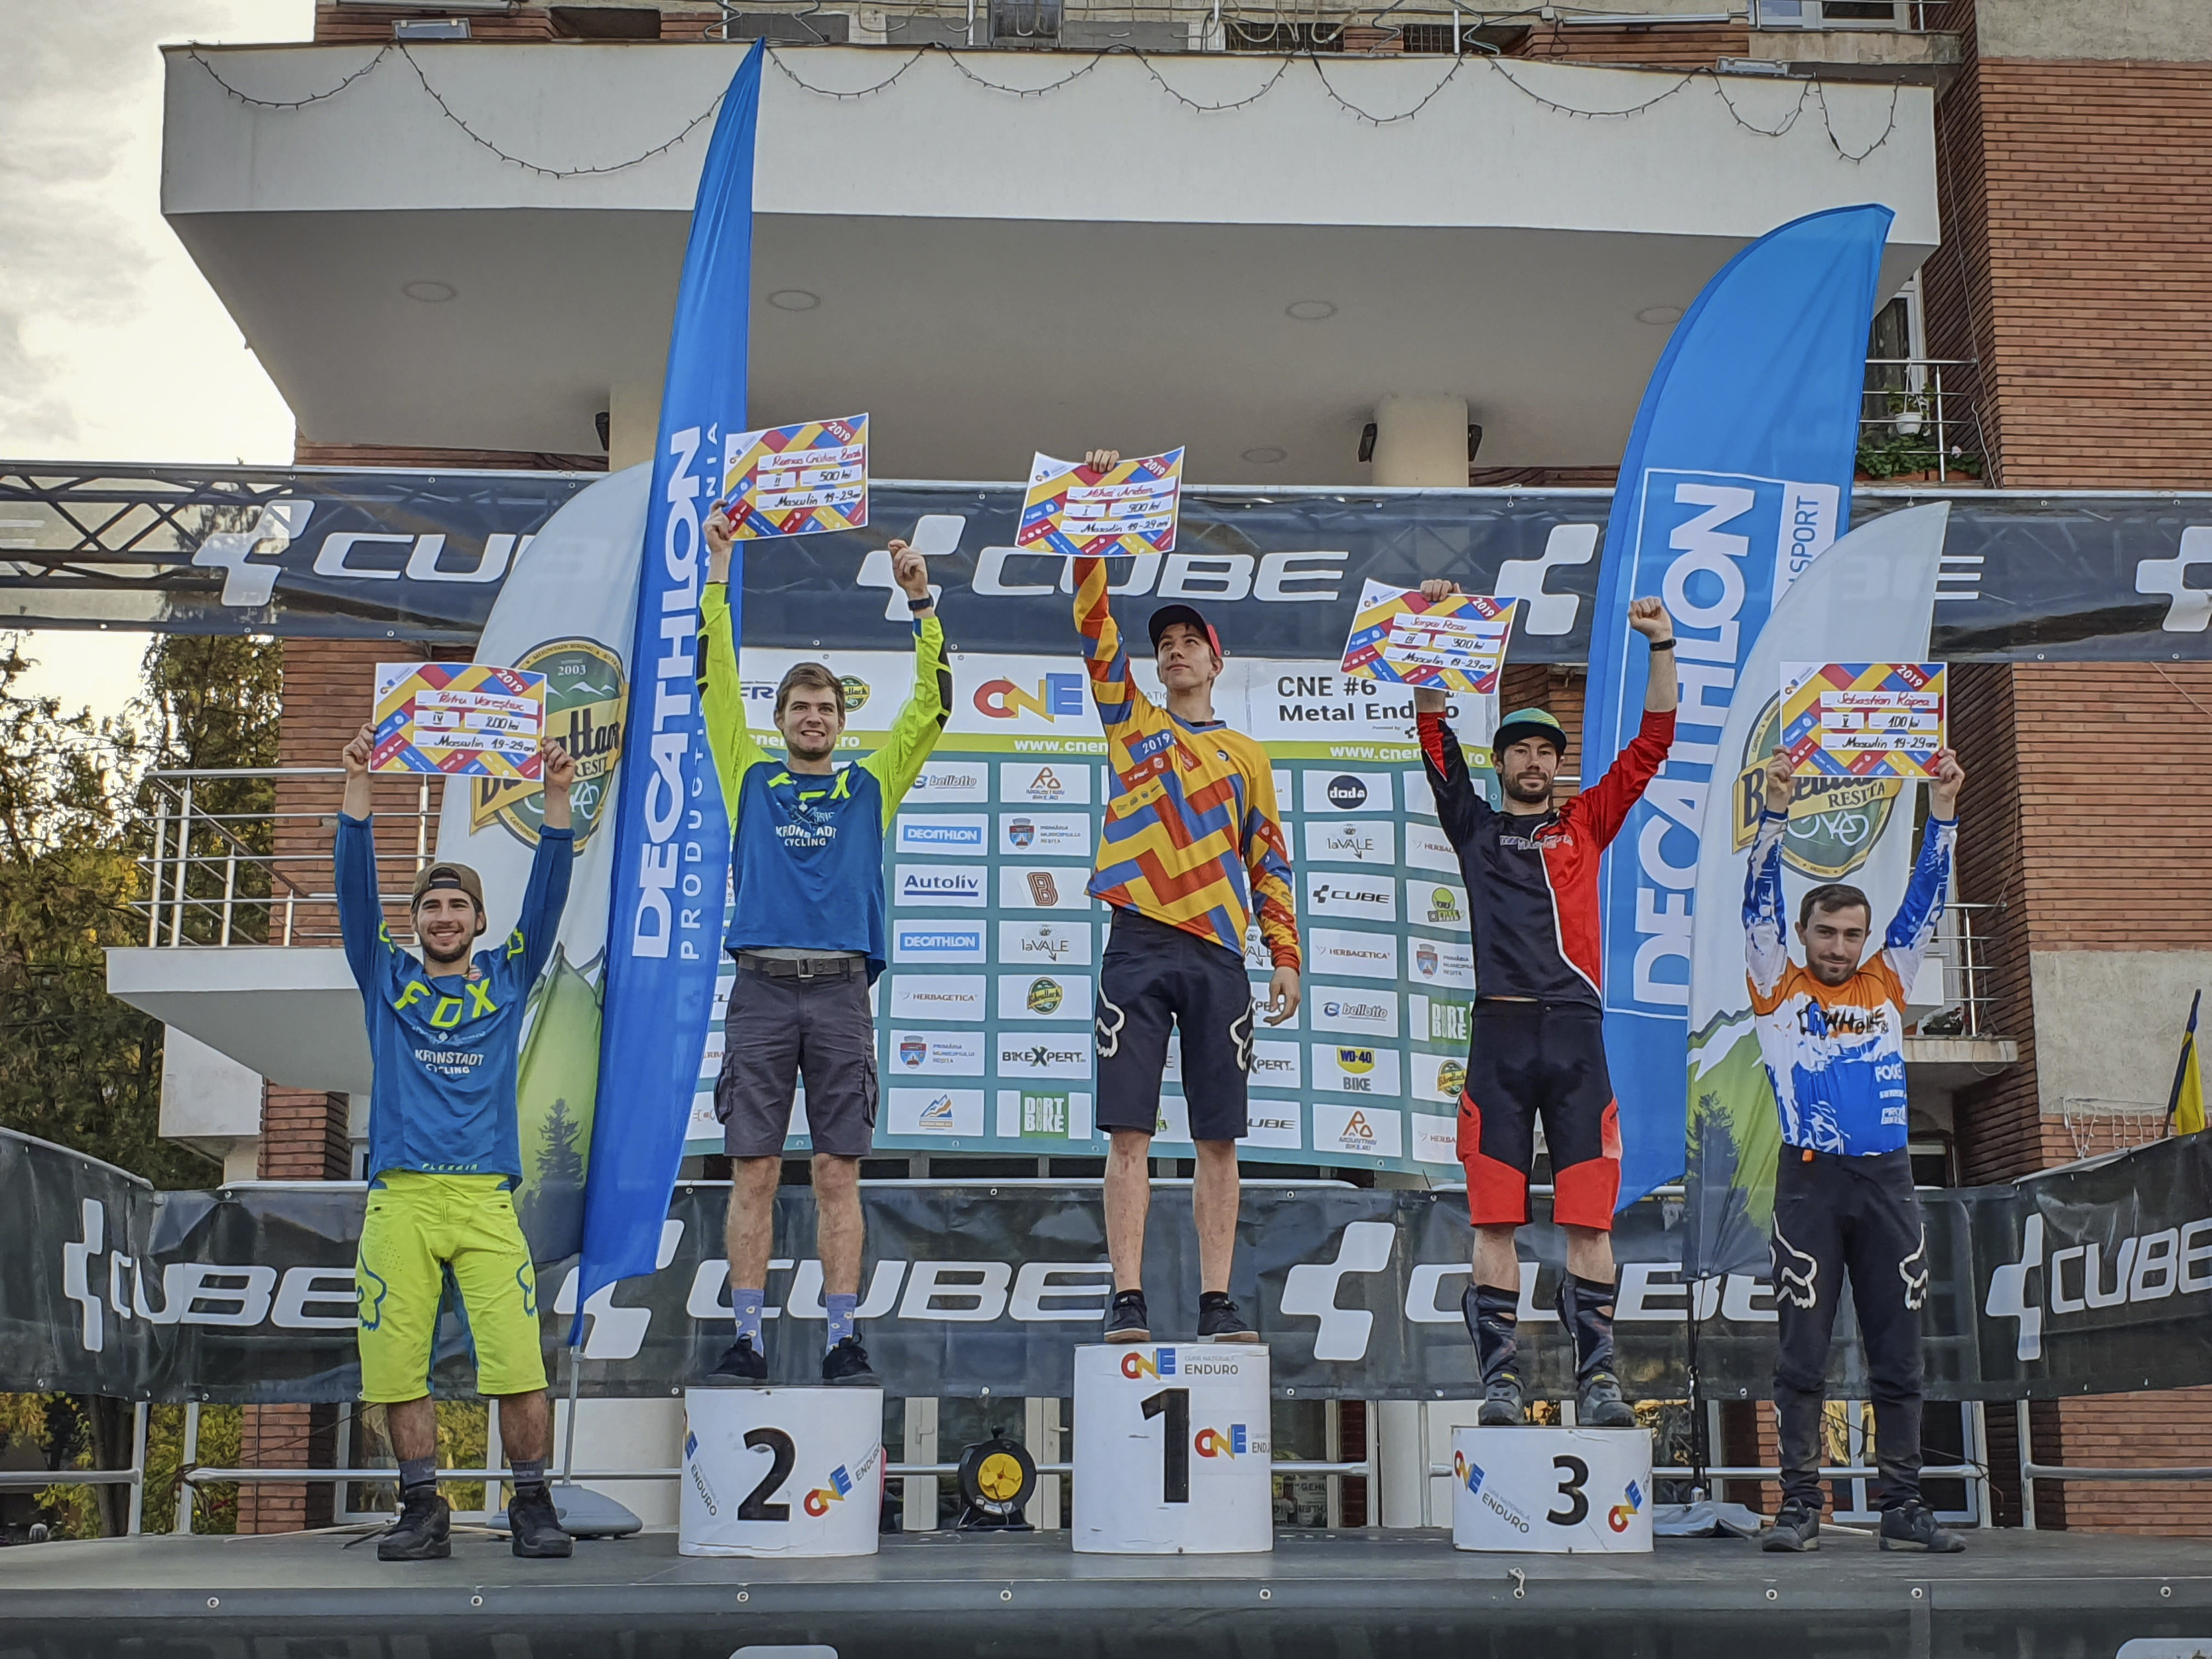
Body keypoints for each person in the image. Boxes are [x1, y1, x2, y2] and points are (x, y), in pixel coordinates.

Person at [1412, 580, 1677, 1429]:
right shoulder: (1474, 828)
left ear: (1558, 767)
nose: (1533, 760)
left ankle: (1599, 1381)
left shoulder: (1587, 823)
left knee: (1589, 1221)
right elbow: (1432, 731)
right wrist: (1434, 630)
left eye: (1545, 752)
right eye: (1519, 750)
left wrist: (1662, 645)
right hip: (1499, 1034)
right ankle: (1501, 1381)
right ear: (1500, 765)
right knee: (1494, 1219)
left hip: (1575, 1036)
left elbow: (1654, 741)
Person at [697, 509, 948, 1387]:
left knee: (838, 1173)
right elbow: (713, 675)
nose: (814, 717)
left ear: (843, 720)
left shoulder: (872, 782)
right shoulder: (749, 774)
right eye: (800, 707)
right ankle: (749, 1340)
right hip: (762, 990)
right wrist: (720, 568)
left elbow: (934, 705)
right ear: (779, 719)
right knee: (755, 1170)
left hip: (841, 991)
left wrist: (921, 605)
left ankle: (843, 1338)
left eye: (827, 707)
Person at [1074, 448, 1301, 1346]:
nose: (1174, 651)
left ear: (1216, 659)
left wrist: (1286, 956)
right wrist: (1094, 524)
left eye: (1188, 642)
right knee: (1127, 1134)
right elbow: (1094, 624)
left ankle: (1216, 1302)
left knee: (1218, 1138)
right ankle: (1127, 1299)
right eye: (1164, 643)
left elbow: (1269, 861)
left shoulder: (1248, 755)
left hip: (1216, 951)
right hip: (1137, 941)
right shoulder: (1132, 723)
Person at [337, 724, 577, 1562]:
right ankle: (421, 1510)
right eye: (431, 907)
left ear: (480, 919)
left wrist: (556, 799)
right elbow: (353, 892)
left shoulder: (509, 975)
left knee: (518, 1363)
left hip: (484, 1198)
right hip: (401, 1197)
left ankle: (533, 1506)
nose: (444, 917)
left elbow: (549, 895)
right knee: (396, 1368)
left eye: (457, 906)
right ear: (415, 923)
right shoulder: (387, 977)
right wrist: (359, 788)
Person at [1746, 744, 1967, 1555]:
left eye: (1851, 935)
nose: (1838, 947)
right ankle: (1802, 1504)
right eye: (1826, 934)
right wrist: (1774, 810)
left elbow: (1926, 899)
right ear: (1802, 934)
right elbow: (1757, 900)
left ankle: (1903, 1504)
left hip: (1888, 1181)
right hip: (1809, 1184)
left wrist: (1942, 811)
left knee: (1898, 1351)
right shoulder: (1776, 980)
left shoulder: (1888, 980)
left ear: (1867, 939)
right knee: (1802, 1354)